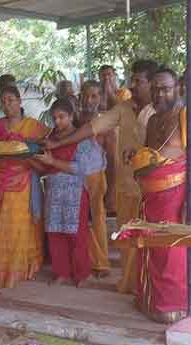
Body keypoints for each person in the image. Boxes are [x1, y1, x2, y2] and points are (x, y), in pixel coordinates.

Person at [46, 59, 159, 294]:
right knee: (127, 235)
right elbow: (90, 130)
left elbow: (108, 154)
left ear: (153, 84)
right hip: (127, 185)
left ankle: (149, 283)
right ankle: (130, 282)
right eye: (132, 80)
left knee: (152, 236)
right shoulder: (122, 109)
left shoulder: (163, 111)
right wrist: (62, 141)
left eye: (138, 81)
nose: (133, 85)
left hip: (155, 184)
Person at [134, 68, 191, 322]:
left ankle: (175, 305)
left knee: (173, 252)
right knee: (151, 246)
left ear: (178, 88)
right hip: (151, 197)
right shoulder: (152, 120)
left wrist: (190, 201)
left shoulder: (187, 116)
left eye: (166, 88)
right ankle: (151, 301)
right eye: (156, 89)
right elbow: (151, 154)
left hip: (175, 195)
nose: (160, 94)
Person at [36, 99, 105, 287]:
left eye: (61, 117)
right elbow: (43, 163)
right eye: (54, 118)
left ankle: (82, 274)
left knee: (77, 233)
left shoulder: (81, 138)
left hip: (74, 192)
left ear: (71, 116)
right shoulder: (50, 136)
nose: (57, 122)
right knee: (55, 232)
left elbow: (81, 168)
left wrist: (53, 163)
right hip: (53, 191)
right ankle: (61, 273)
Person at [0, 86, 47, 288]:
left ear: (20, 101)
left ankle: (22, 269)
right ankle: (2, 272)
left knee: (23, 226)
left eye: (11, 99)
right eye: (3, 101)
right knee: (1, 225)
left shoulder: (34, 127)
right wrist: (8, 147)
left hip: (25, 180)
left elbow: (44, 150)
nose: (7, 104)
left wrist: (25, 147)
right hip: (1, 182)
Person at [79, 80, 114, 278]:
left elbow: (112, 158)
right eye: (85, 95)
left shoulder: (105, 123)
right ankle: (84, 259)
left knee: (97, 219)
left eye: (94, 96)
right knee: (80, 219)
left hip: (96, 176)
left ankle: (101, 263)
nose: (89, 100)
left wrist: (111, 188)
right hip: (75, 176)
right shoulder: (74, 119)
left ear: (100, 98)